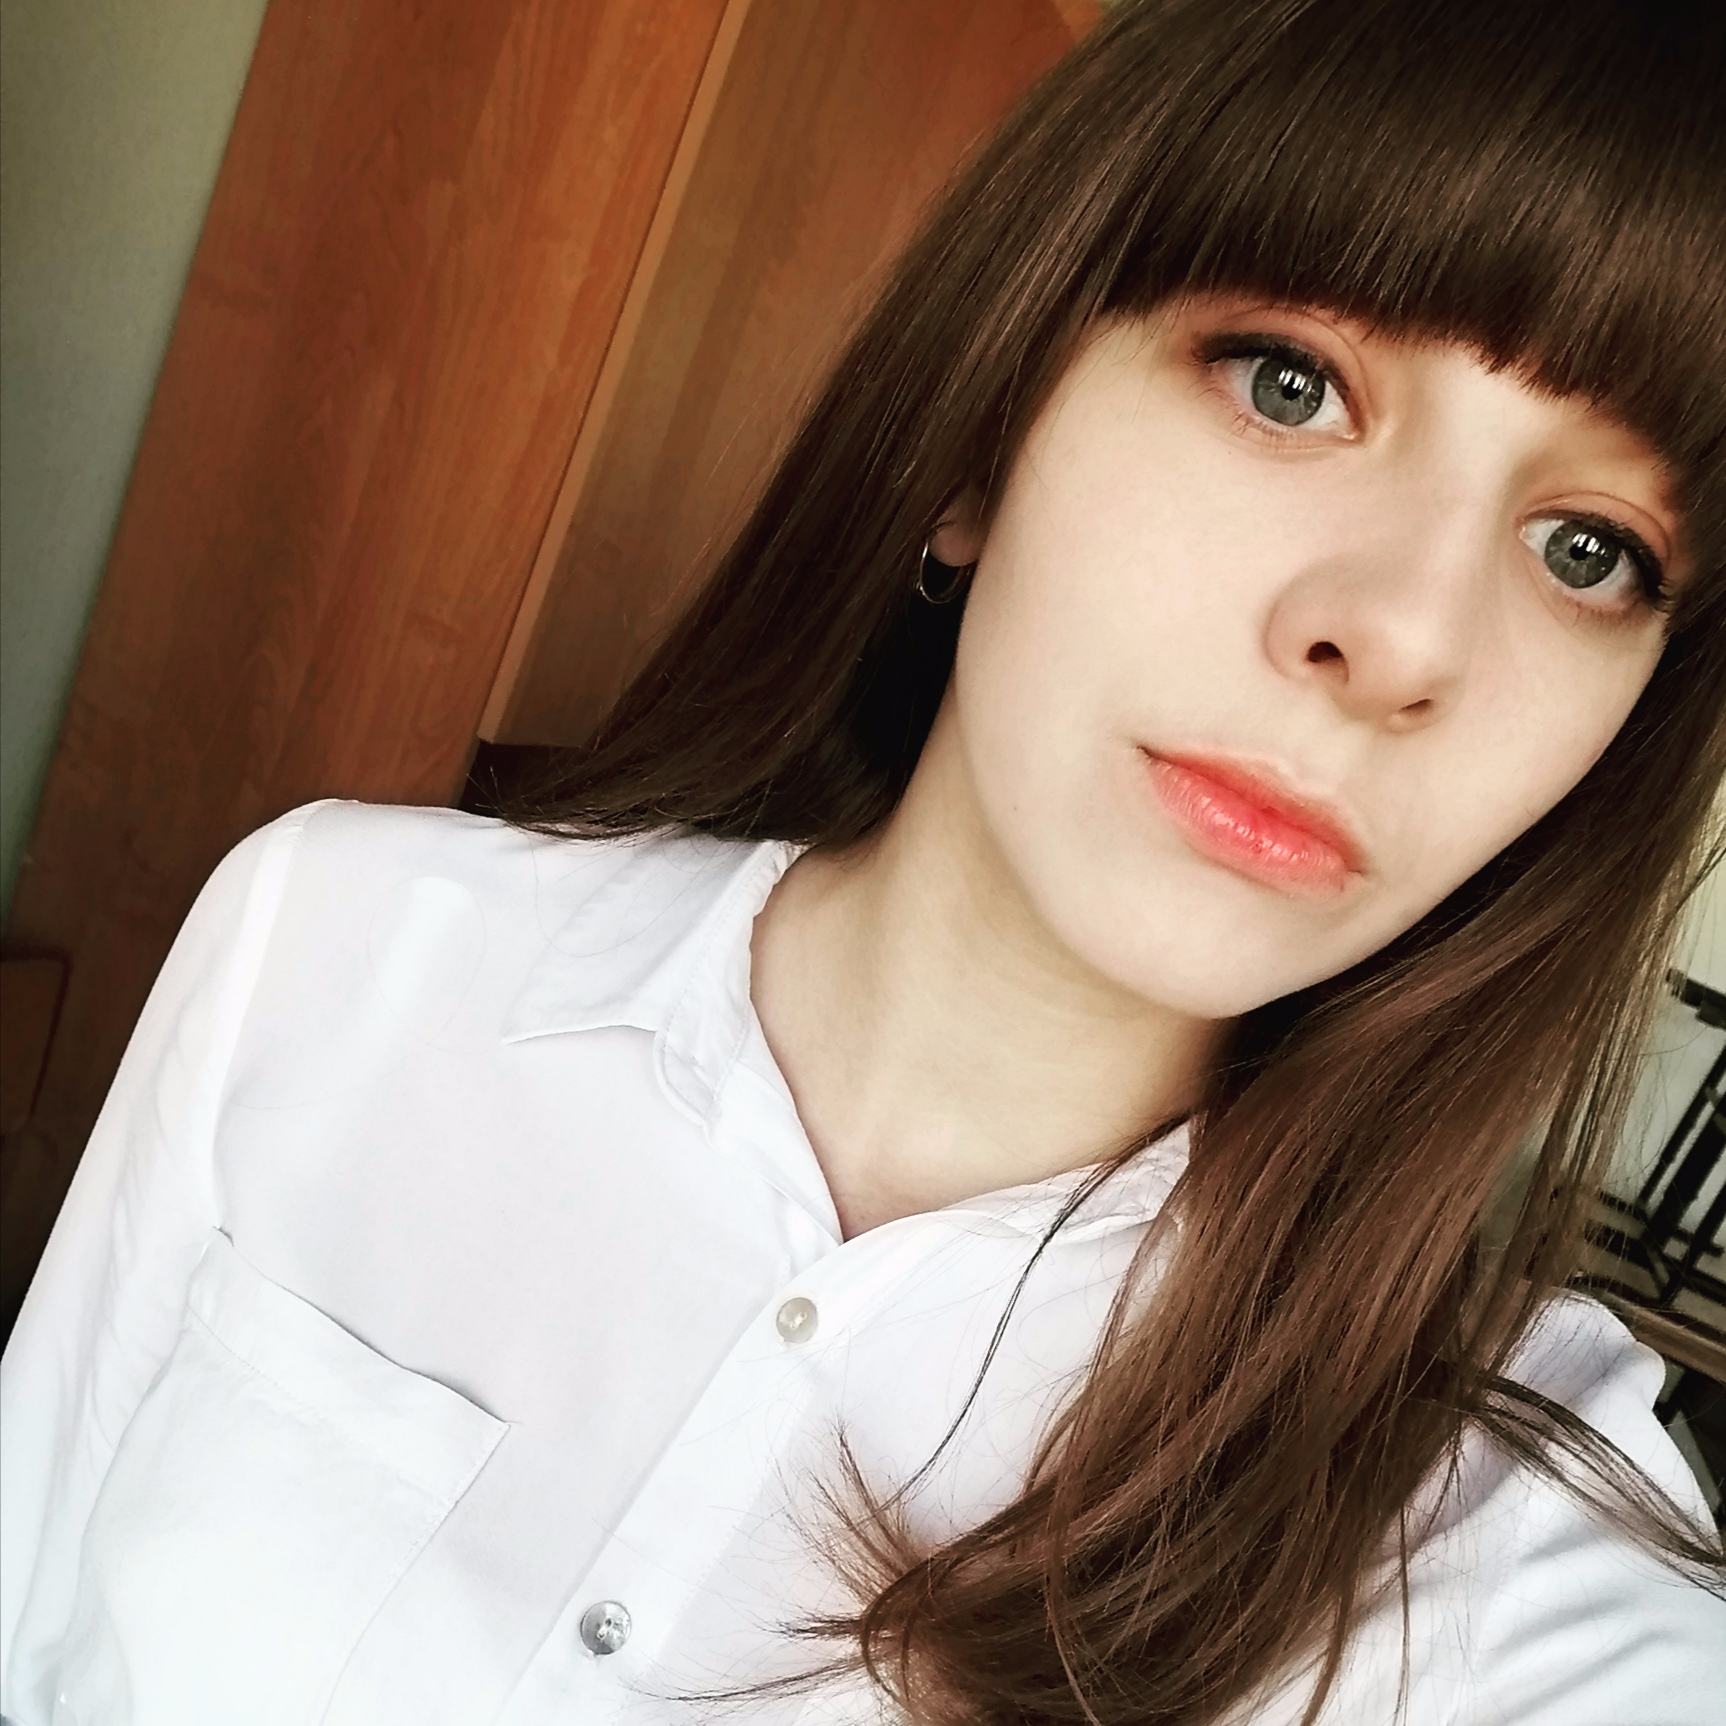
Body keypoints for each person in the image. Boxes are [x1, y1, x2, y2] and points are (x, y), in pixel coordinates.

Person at [4, 0, 1725, 1720]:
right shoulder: (334, 939)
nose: (1405, 636)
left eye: (1589, 550)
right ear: (979, 438)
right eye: (1289, 384)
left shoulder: (1507, 1560)